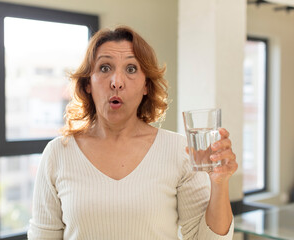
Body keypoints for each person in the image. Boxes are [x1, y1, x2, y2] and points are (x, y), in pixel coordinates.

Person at [28, 25, 237, 240]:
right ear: (88, 83)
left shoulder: (179, 151)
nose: (116, 82)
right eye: (104, 68)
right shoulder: (57, 153)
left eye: (131, 69)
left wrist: (219, 185)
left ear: (146, 85)